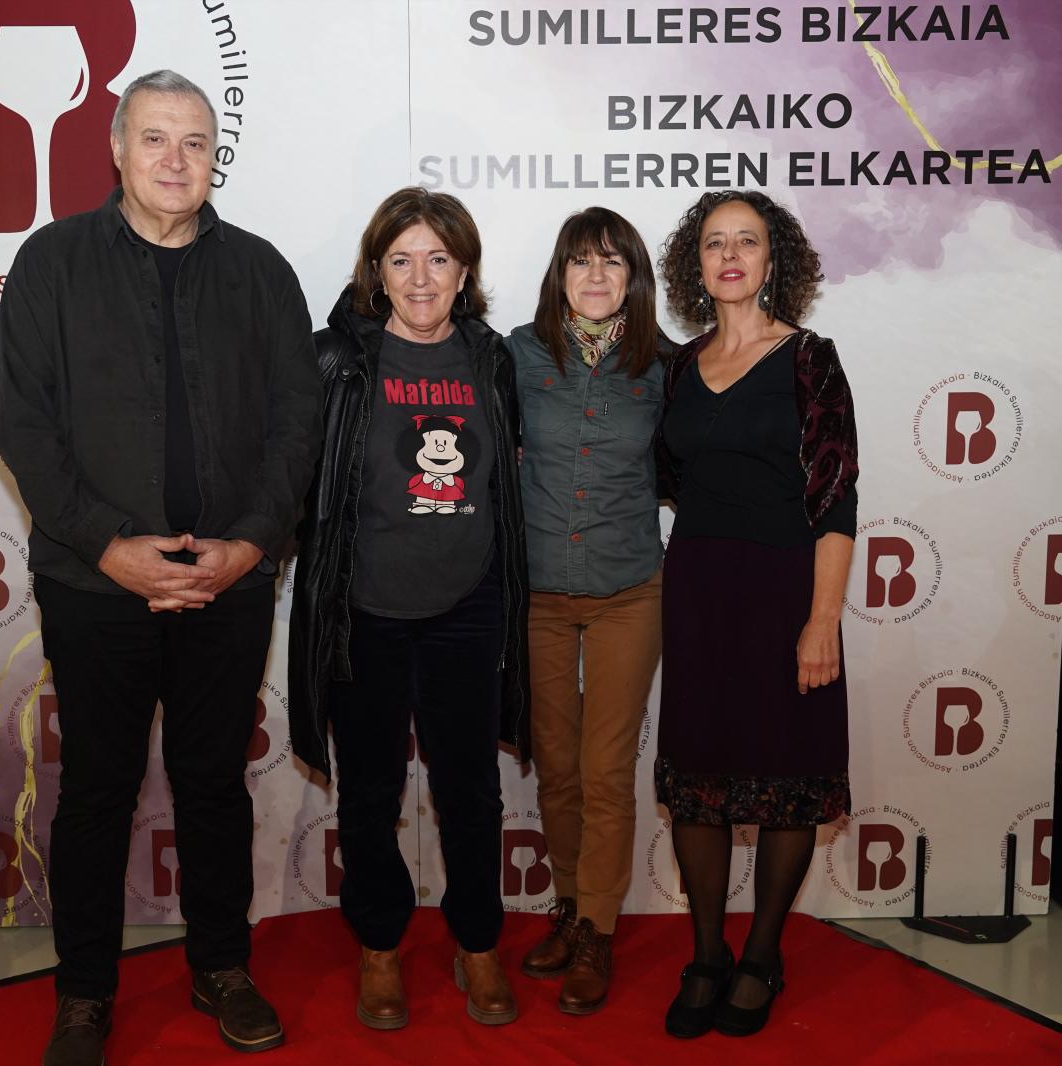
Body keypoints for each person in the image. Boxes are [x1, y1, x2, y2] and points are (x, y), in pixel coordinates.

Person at [0, 70, 321, 1065]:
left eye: (195, 141)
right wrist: (108, 547)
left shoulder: (261, 272)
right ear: (116, 148)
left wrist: (249, 545)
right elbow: (23, 426)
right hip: (95, 586)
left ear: (215, 154)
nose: (176, 160)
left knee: (213, 783)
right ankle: (85, 993)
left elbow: (297, 424)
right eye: (155, 139)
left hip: (230, 581)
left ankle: (222, 966)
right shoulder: (51, 263)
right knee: (97, 790)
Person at [288, 187, 530, 1031]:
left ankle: (477, 943)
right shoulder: (334, 359)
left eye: (438, 259)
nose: (420, 278)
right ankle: (381, 945)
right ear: (376, 272)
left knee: (471, 793)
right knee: (369, 793)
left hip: (470, 606)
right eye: (401, 260)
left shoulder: (493, 360)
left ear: (464, 272)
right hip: (365, 612)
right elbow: (292, 476)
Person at [652, 190, 858, 1039]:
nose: (730, 256)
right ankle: (707, 955)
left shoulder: (810, 359)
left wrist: (822, 620)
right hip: (697, 593)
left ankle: (762, 956)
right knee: (698, 785)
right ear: (695, 265)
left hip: (785, 593)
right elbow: (666, 478)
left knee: (786, 782)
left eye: (747, 241)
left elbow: (837, 499)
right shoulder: (677, 367)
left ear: (775, 261)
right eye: (714, 243)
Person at [504, 207, 670, 1014]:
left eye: (612, 262)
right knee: (557, 766)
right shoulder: (516, 354)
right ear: (559, 273)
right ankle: (569, 907)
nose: (596, 276)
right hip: (537, 592)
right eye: (580, 261)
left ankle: (598, 929)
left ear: (634, 277)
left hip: (628, 592)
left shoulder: (665, 366)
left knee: (605, 770)